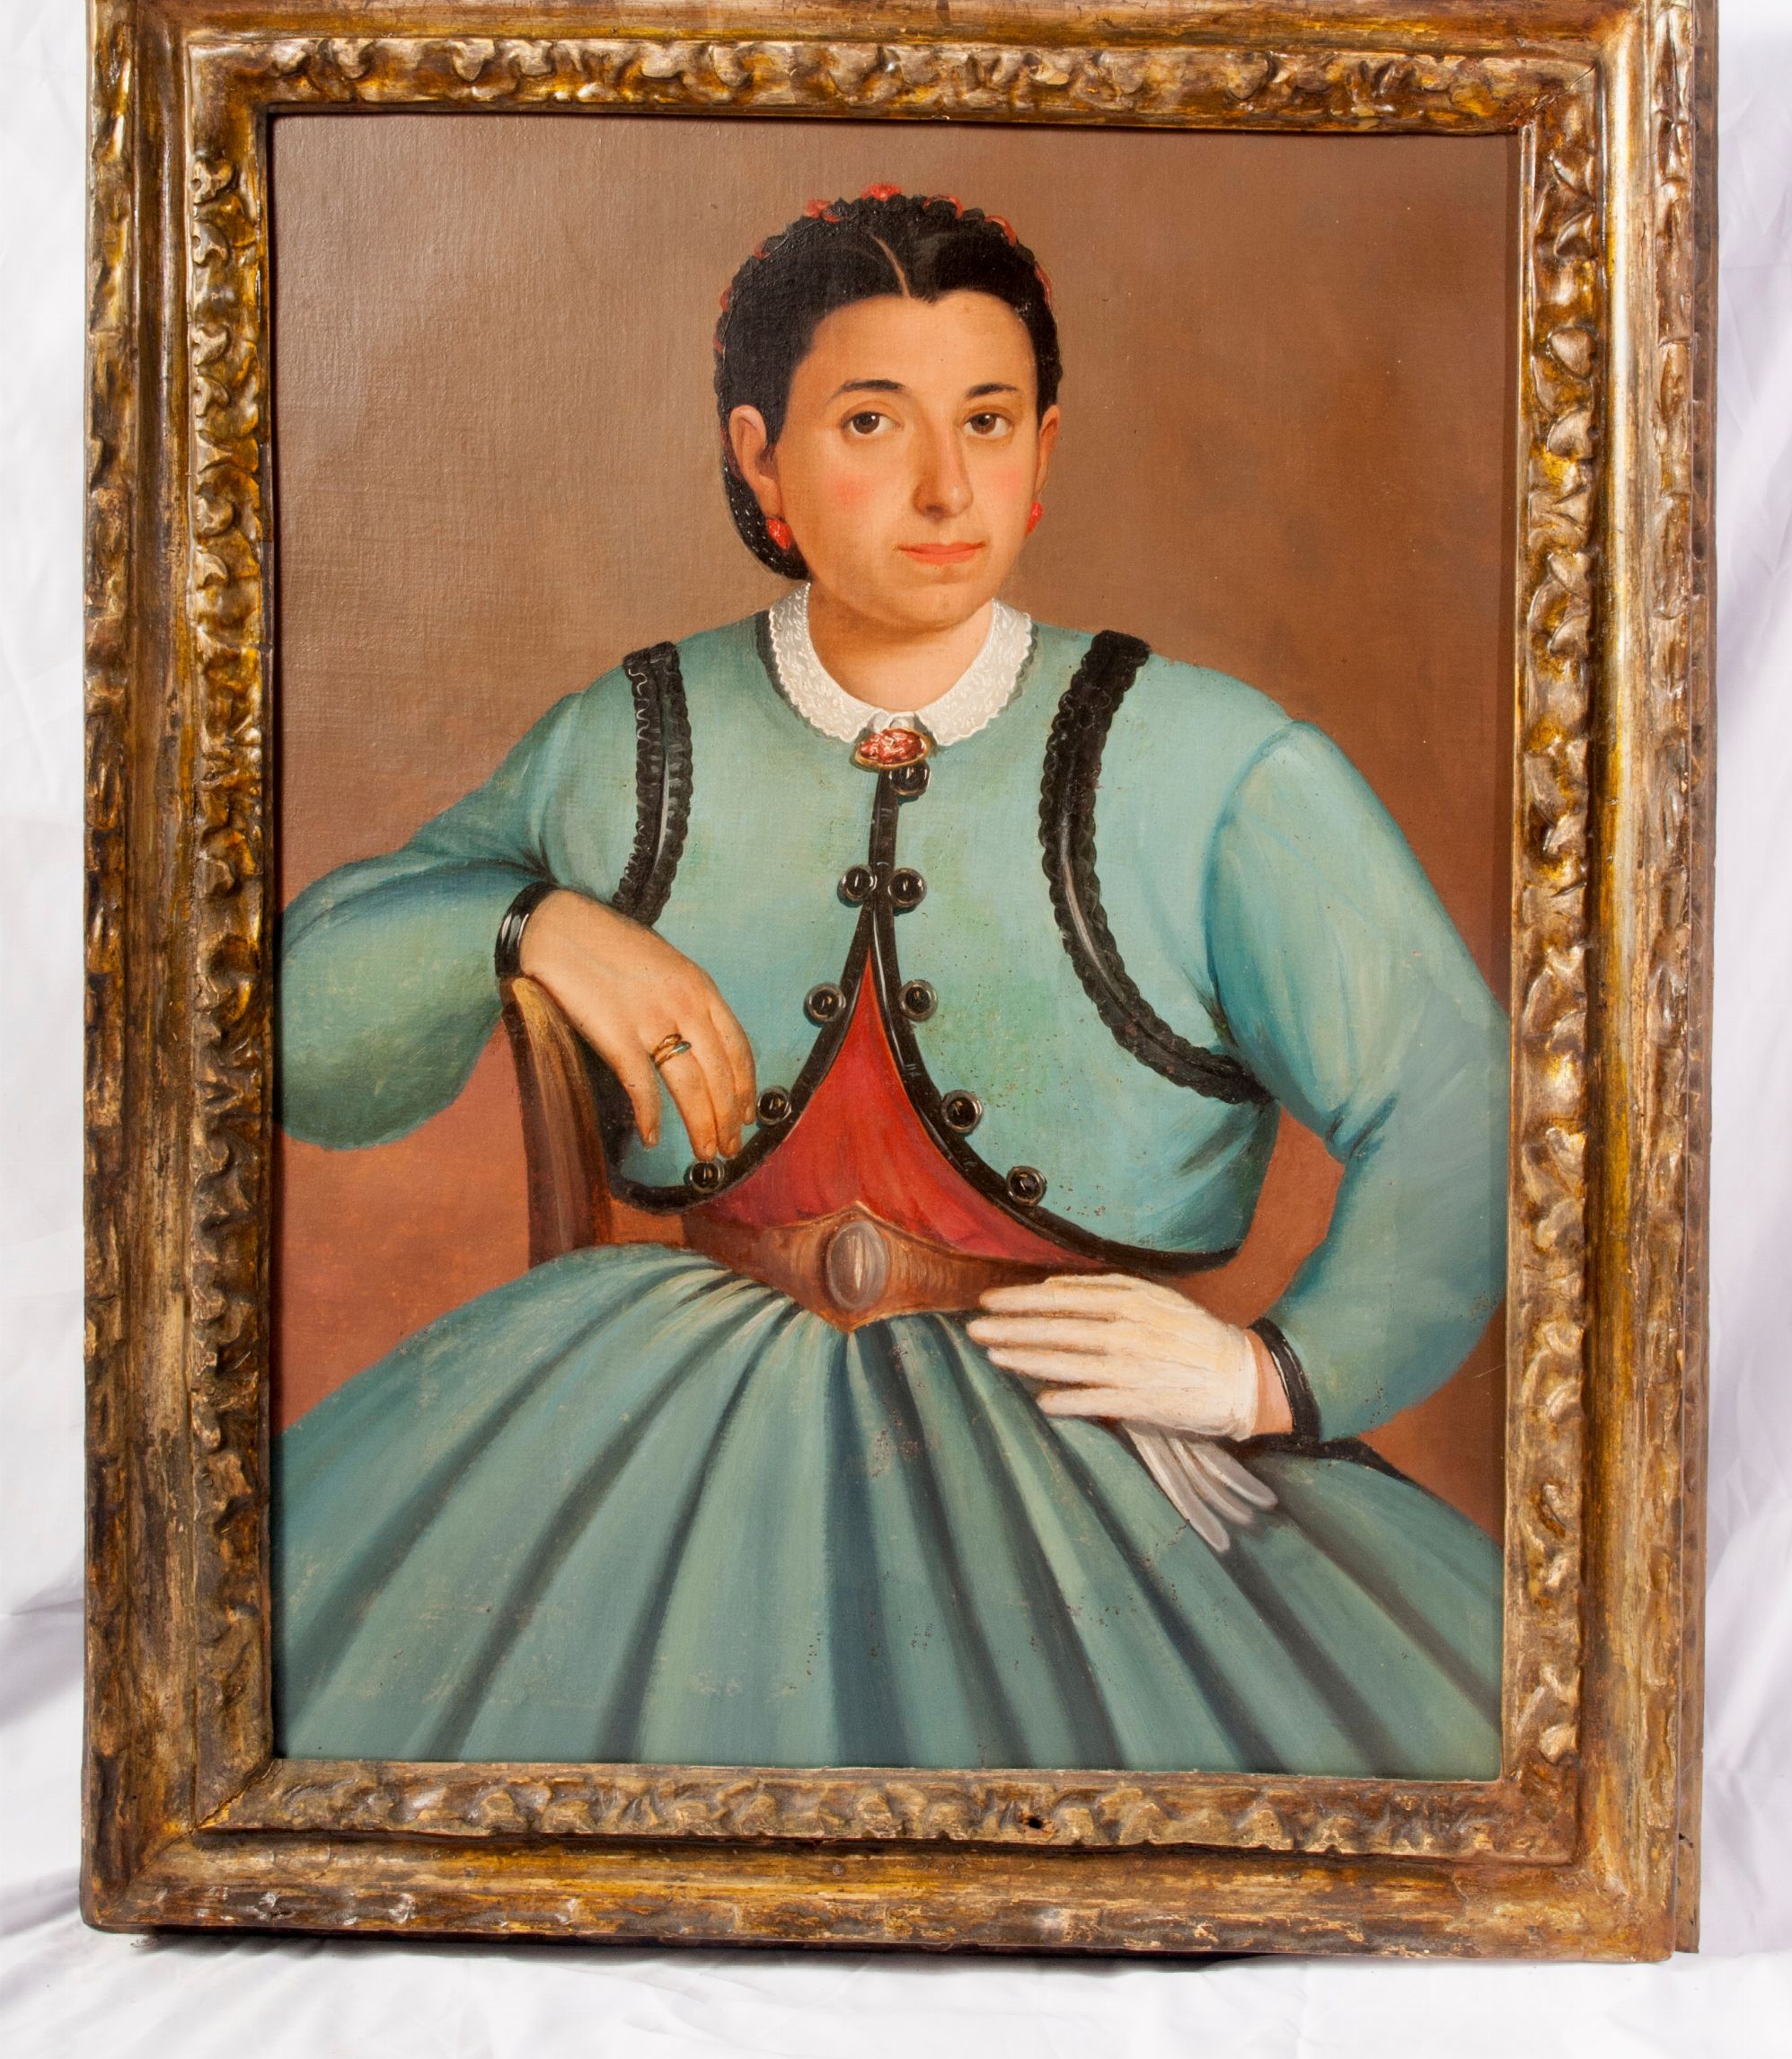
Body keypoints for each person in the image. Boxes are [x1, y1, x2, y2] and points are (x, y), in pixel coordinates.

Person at [274, 187, 1508, 1777]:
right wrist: (527, 924)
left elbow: (1469, 1106)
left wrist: (1272, 1374)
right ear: (760, 457)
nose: (945, 487)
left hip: (1082, 1441)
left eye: (987, 422)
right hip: (654, 1416)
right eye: (873, 421)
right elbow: (309, 1045)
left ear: (1044, 452)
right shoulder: (632, 738)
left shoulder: (1212, 764)